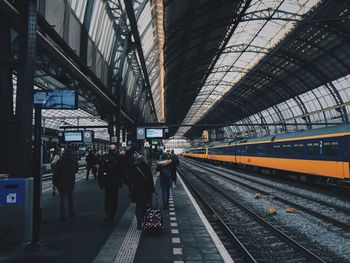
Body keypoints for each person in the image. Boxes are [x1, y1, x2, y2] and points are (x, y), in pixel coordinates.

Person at [130, 155, 155, 230]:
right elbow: (150, 180)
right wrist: (153, 190)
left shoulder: (134, 168)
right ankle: (143, 219)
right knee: (145, 206)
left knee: (138, 206)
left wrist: (130, 189)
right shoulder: (147, 167)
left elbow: (130, 179)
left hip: (137, 190)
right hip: (146, 190)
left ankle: (139, 223)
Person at [53, 147, 78, 221]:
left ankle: (62, 215)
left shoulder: (60, 161)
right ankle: (71, 212)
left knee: (62, 199)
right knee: (70, 198)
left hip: (61, 182)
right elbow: (76, 170)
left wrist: (54, 182)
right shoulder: (74, 161)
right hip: (70, 182)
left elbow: (56, 173)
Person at [98, 144, 122, 222]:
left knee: (107, 198)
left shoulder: (104, 157)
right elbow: (121, 171)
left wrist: (100, 182)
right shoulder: (119, 158)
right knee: (114, 198)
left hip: (107, 181)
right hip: (115, 182)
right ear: (115, 150)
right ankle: (112, 214)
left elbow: (101, 170)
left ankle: (107, 213)